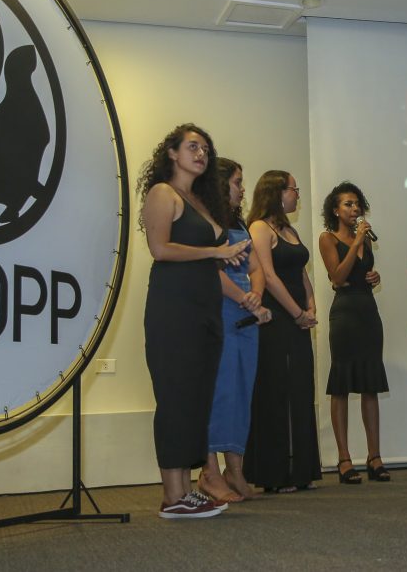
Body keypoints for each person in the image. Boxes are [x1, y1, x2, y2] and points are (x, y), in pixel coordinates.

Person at [137, 124, 250, 519]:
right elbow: (160, 248)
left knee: (197, 399)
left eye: (205, 148)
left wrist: (225, 255)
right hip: (174, 308)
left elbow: (211, 252)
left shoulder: (200, 200)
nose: (201, 154)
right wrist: (214, 253)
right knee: (175, 398)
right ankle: (172, 496)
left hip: (205, 309)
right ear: (171, 152)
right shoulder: (162, 193)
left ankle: (186, 491)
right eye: (192, 147)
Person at [243, 170, 322, 492]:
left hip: (298, 319)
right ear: (276, 193)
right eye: (293, 189)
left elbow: (301, 272)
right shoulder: (259, 228)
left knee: (300, 390)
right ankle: (276, 472)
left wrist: (311, 306)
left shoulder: (289, 229)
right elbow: (268, 276)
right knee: (277, 392)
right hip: (276, 320)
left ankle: (300, 469)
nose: (297, 194)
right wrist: (297, 313)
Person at [198, 158, 272, 503]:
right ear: (221, 183)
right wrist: (245, 298)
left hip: (247, 316)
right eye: (238, 182)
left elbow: (256, 267)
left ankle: (235, 471)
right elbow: (210, 271)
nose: (243, 189)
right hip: (221, 312)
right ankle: (209, 472)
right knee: (219, 393)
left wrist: (255, 293)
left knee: (243, 391)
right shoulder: (204, 221)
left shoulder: (239, 222)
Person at [318, 182, 391, 484]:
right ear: (335, 210)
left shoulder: (366, 241)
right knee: (342, 385)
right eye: (348, 204)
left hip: (367, 312)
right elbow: (337, 276)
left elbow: (360, 273)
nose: (355, 208)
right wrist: (356, 241)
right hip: (345, 314)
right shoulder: (328, 238)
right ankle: (344, 459)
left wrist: (374, 276)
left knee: (370, 384)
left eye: (357, 203)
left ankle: (374, 457)